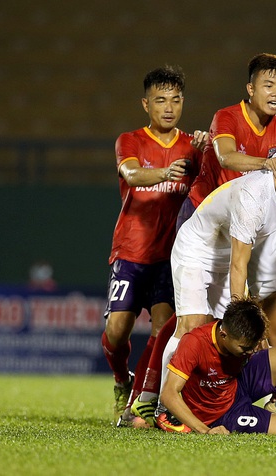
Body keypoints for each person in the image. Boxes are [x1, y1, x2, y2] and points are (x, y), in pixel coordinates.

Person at [128, 53, 276, 421]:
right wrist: (266, 165)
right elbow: (226, 157)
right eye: (268, 85)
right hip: (203, 221)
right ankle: (155, 400)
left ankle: (198, 400)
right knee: (188, 324)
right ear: (250, 89)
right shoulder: (227, 116)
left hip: (237, 229)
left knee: (217, 328)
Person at [157, 139, 276, 423]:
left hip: (226, 258)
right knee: (192, 325)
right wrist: (245, 317)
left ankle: (222, 400)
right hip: (196, 252)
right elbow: (240, 264)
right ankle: (165, 408)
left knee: (233, 339)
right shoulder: (253, 197)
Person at [100, 65, 208, 426]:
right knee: (117, 331)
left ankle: (147, 404)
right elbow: (130, 173)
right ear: (146, 104)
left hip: (170, 257)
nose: (169, 107)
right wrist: (164, 173)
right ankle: (121, 380)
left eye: (176, 100)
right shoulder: (130, 140)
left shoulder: (190, 147)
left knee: (163, 329)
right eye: (161, 100)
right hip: (130, 252)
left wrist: (205, 153)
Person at [159, 296, 276, 435]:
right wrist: (205, 430)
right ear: (223, 334)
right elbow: (168, 394)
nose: (250, 352)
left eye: (253, 346)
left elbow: (250, 346)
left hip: (239, 383)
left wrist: (256, 345)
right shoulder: (195, 342)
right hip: (222, 414)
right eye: (245, 348)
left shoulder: (244, 341)